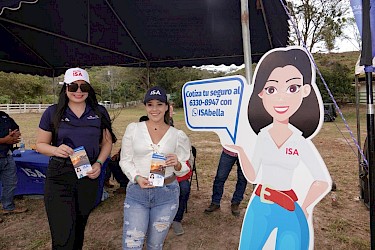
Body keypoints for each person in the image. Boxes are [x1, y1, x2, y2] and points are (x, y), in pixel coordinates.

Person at [228, 47, 331, 249]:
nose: (281, 98)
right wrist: (240, 151)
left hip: (289, 207)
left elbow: (322, 181)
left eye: (292, 88)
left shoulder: (300, 141)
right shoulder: (263, 136)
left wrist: (304, 206)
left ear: (305, 91)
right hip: (260, 204)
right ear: (261, 94)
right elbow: (253, 175)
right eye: (272, 89)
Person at [36, 67, 117, 250]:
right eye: (73, 87)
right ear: (65, 89)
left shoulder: (99, 111)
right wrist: (56, 150)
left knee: (79, 229)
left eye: (83, 87)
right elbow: (40, 144)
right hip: (60, 176)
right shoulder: (53, 112)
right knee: (63, 235)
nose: (78, 91)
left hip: (87, 174)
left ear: (89, 89)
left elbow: (107, 143)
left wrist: (99, 163)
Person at [120, 86, 191, 250]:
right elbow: (125, 160)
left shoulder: (177, 135)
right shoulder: (134, 129)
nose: (154, 109)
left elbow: (184, 167)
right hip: (137, 193)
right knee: (132, 244)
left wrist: (178, 163)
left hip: (167, 194)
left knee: (155, 245)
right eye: (150, 104)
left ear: (166, 107)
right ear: (145, 106)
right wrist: (137, 177)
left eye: (159, 104)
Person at [204, 148, 247, 217]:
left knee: (242, 179)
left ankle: (236, 203)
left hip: (245, 154)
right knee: (220, 177)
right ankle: (215, 202)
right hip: (228, 151)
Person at [0, 111, 27, 215]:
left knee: (10, 183)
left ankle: (8, 206)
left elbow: (16, 128)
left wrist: (15, 134)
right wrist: (5, 140)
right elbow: (6, 139)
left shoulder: (4, 115)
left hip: (7, 155)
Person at [172, 158, 193, 236]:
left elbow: (187, 172)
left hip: (179, 178)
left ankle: (177, 219)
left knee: (184, 188)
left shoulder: (181, 150)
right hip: (160, 178)